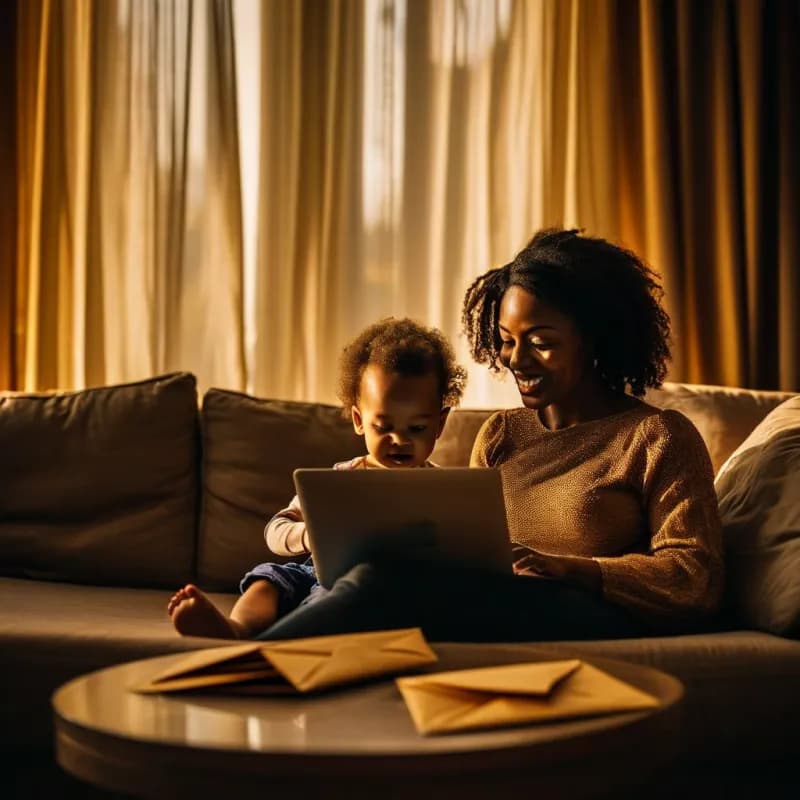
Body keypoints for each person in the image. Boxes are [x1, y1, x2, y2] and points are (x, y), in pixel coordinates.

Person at [248, 228, 723, 643]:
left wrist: (572, 568)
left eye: (541, 342)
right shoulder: (501, 434)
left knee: (381, 583)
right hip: (493, 602)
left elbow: (694, 580)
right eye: (507, 340)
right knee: (375, 577)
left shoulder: (656, 436)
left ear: (596, 339)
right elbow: (467, 550)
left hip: (586, 611)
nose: (516, 360)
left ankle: (247, 663)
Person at [167, 317, 467, 638]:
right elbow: (275, 530)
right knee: (267, 580)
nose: (399, 440)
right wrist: (310, 535)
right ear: (358, 420)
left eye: (417, 428)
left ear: (439, 424)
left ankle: (281, 638)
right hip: (316, 571)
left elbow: (463, 551)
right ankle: (236, 629)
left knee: (348, 598)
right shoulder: (340, 478)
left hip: (377, 587)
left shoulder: (441, 489)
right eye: (384, 426)